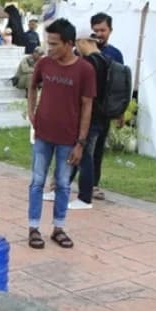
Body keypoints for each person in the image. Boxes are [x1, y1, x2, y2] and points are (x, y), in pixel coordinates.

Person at [26, 18, 95, 250]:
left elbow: (87, 106)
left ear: (69, 43)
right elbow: (32, 86)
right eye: (48, 42)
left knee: (63, 184)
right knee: (37, 181)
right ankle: (33, 228)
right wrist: (31, 112)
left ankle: (58, 227)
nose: (50, 48)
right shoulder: (44, 63)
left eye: (55, 44)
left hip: (69, 138)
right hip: (43, 135)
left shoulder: (85, 70)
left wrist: (81, 143)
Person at [67, 31, 111, 210]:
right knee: (82, 155)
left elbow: (84, 93)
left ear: (83, 42)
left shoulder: (89, 63)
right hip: (103, 116)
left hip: (90, 116)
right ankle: (62, 186)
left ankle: (85, 197)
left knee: (85, 156)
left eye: (76, 44)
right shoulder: (107, 60)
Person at [90, 12, 125, 200]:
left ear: (110, 30)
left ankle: (93, 184)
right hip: (84, 108)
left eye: (102, 30)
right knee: (75, 147)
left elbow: (120, 85)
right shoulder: (83, 52)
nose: (99, 34)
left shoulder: (115, 54)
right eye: (95, 30)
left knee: (97, 149)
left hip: (104, 110)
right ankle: (60, 181)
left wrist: (120, 111)